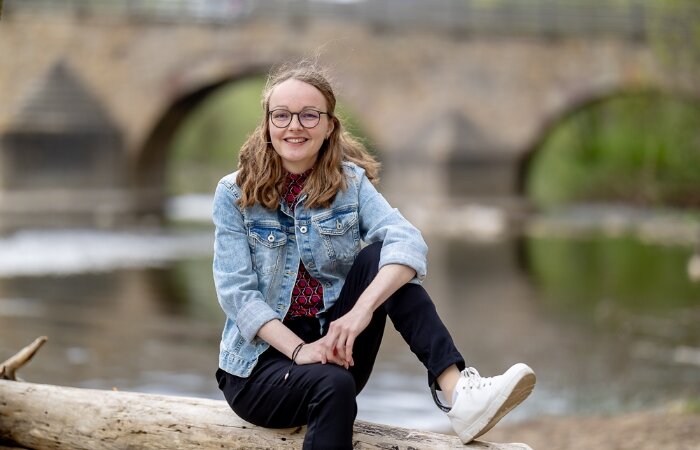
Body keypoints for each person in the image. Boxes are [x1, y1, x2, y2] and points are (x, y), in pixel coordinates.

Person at [212, 62, 536, 449]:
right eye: (281, 116)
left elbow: (408, 241)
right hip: (259, 367)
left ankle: (457, 392)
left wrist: (360, 312)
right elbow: (238, 296)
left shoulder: (350, 184)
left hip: (337, 344)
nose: (294, 126)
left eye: (309, 115)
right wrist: (300, 351)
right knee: (333, 386)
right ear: (267, 124)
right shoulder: (234, 194)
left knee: (385, 259)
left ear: (329, 125)